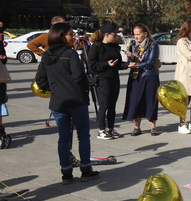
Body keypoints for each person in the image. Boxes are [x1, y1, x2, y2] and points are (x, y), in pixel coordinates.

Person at [34, 22, 99, 184]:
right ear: (61, 36)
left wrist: (55, 88)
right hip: (76, 100)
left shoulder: (47, 55)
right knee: (83, 136)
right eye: (70, 34)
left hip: (58, 102)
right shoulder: (70, 54)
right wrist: (89, 82)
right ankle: (85, 169)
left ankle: (66, 173)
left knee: (63, 138)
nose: (73, 37)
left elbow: (40, 81)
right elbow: (79, 77)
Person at [122, 23, 161, 136]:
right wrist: (131, 59)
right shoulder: (133, 45)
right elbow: (130, 62)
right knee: (136, 100)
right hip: (136, 76)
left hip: (149, 76)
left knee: (151, 100)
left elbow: (151, 61)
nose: (136, 37)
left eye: (138, 34)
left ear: (145, 34)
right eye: (135, 34)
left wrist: (137, 64)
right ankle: (136, 127)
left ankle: (153, 126)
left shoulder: (153, 45)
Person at [88, 23, 124, 139]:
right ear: (107, 35)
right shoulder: (97, 46)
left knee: (112, 105)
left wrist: (129, 64)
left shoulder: (114, 46)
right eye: (114, 34)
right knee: (104, 105)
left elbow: (118, 64)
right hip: (103, 80)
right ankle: (101, 130)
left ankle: (111, 128)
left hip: (114, 79)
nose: (116, 37)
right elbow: (91, 65)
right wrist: (105, 64)